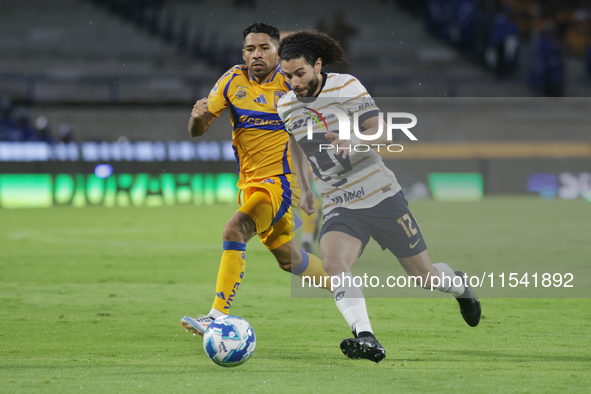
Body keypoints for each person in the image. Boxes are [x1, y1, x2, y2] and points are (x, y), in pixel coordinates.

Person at [276, 31, 481, 363]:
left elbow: (382, 131)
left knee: (425, 277)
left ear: (317, 65)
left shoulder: (346, 86)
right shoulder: (285, 103)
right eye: (287, 75)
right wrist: (305, 187)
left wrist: (351, 140)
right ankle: (366, 336)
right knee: (333, 262)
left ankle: (459, 285)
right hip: (340, 202)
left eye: (299, 73)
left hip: (381, 195)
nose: (294, 82)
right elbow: (295, 141)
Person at [181, 22, 330, 337]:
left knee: (234, 229)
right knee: (288, 258)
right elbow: (199, 129)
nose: (257, 54)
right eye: (250, 49)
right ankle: (345, 286)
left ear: (278, 51)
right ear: (243, 53)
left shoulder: (290, 84)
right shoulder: (231, 80)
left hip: (281, 183)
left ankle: (216, 316)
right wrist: (196, 118)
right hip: (250, 184)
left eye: (264, 48)